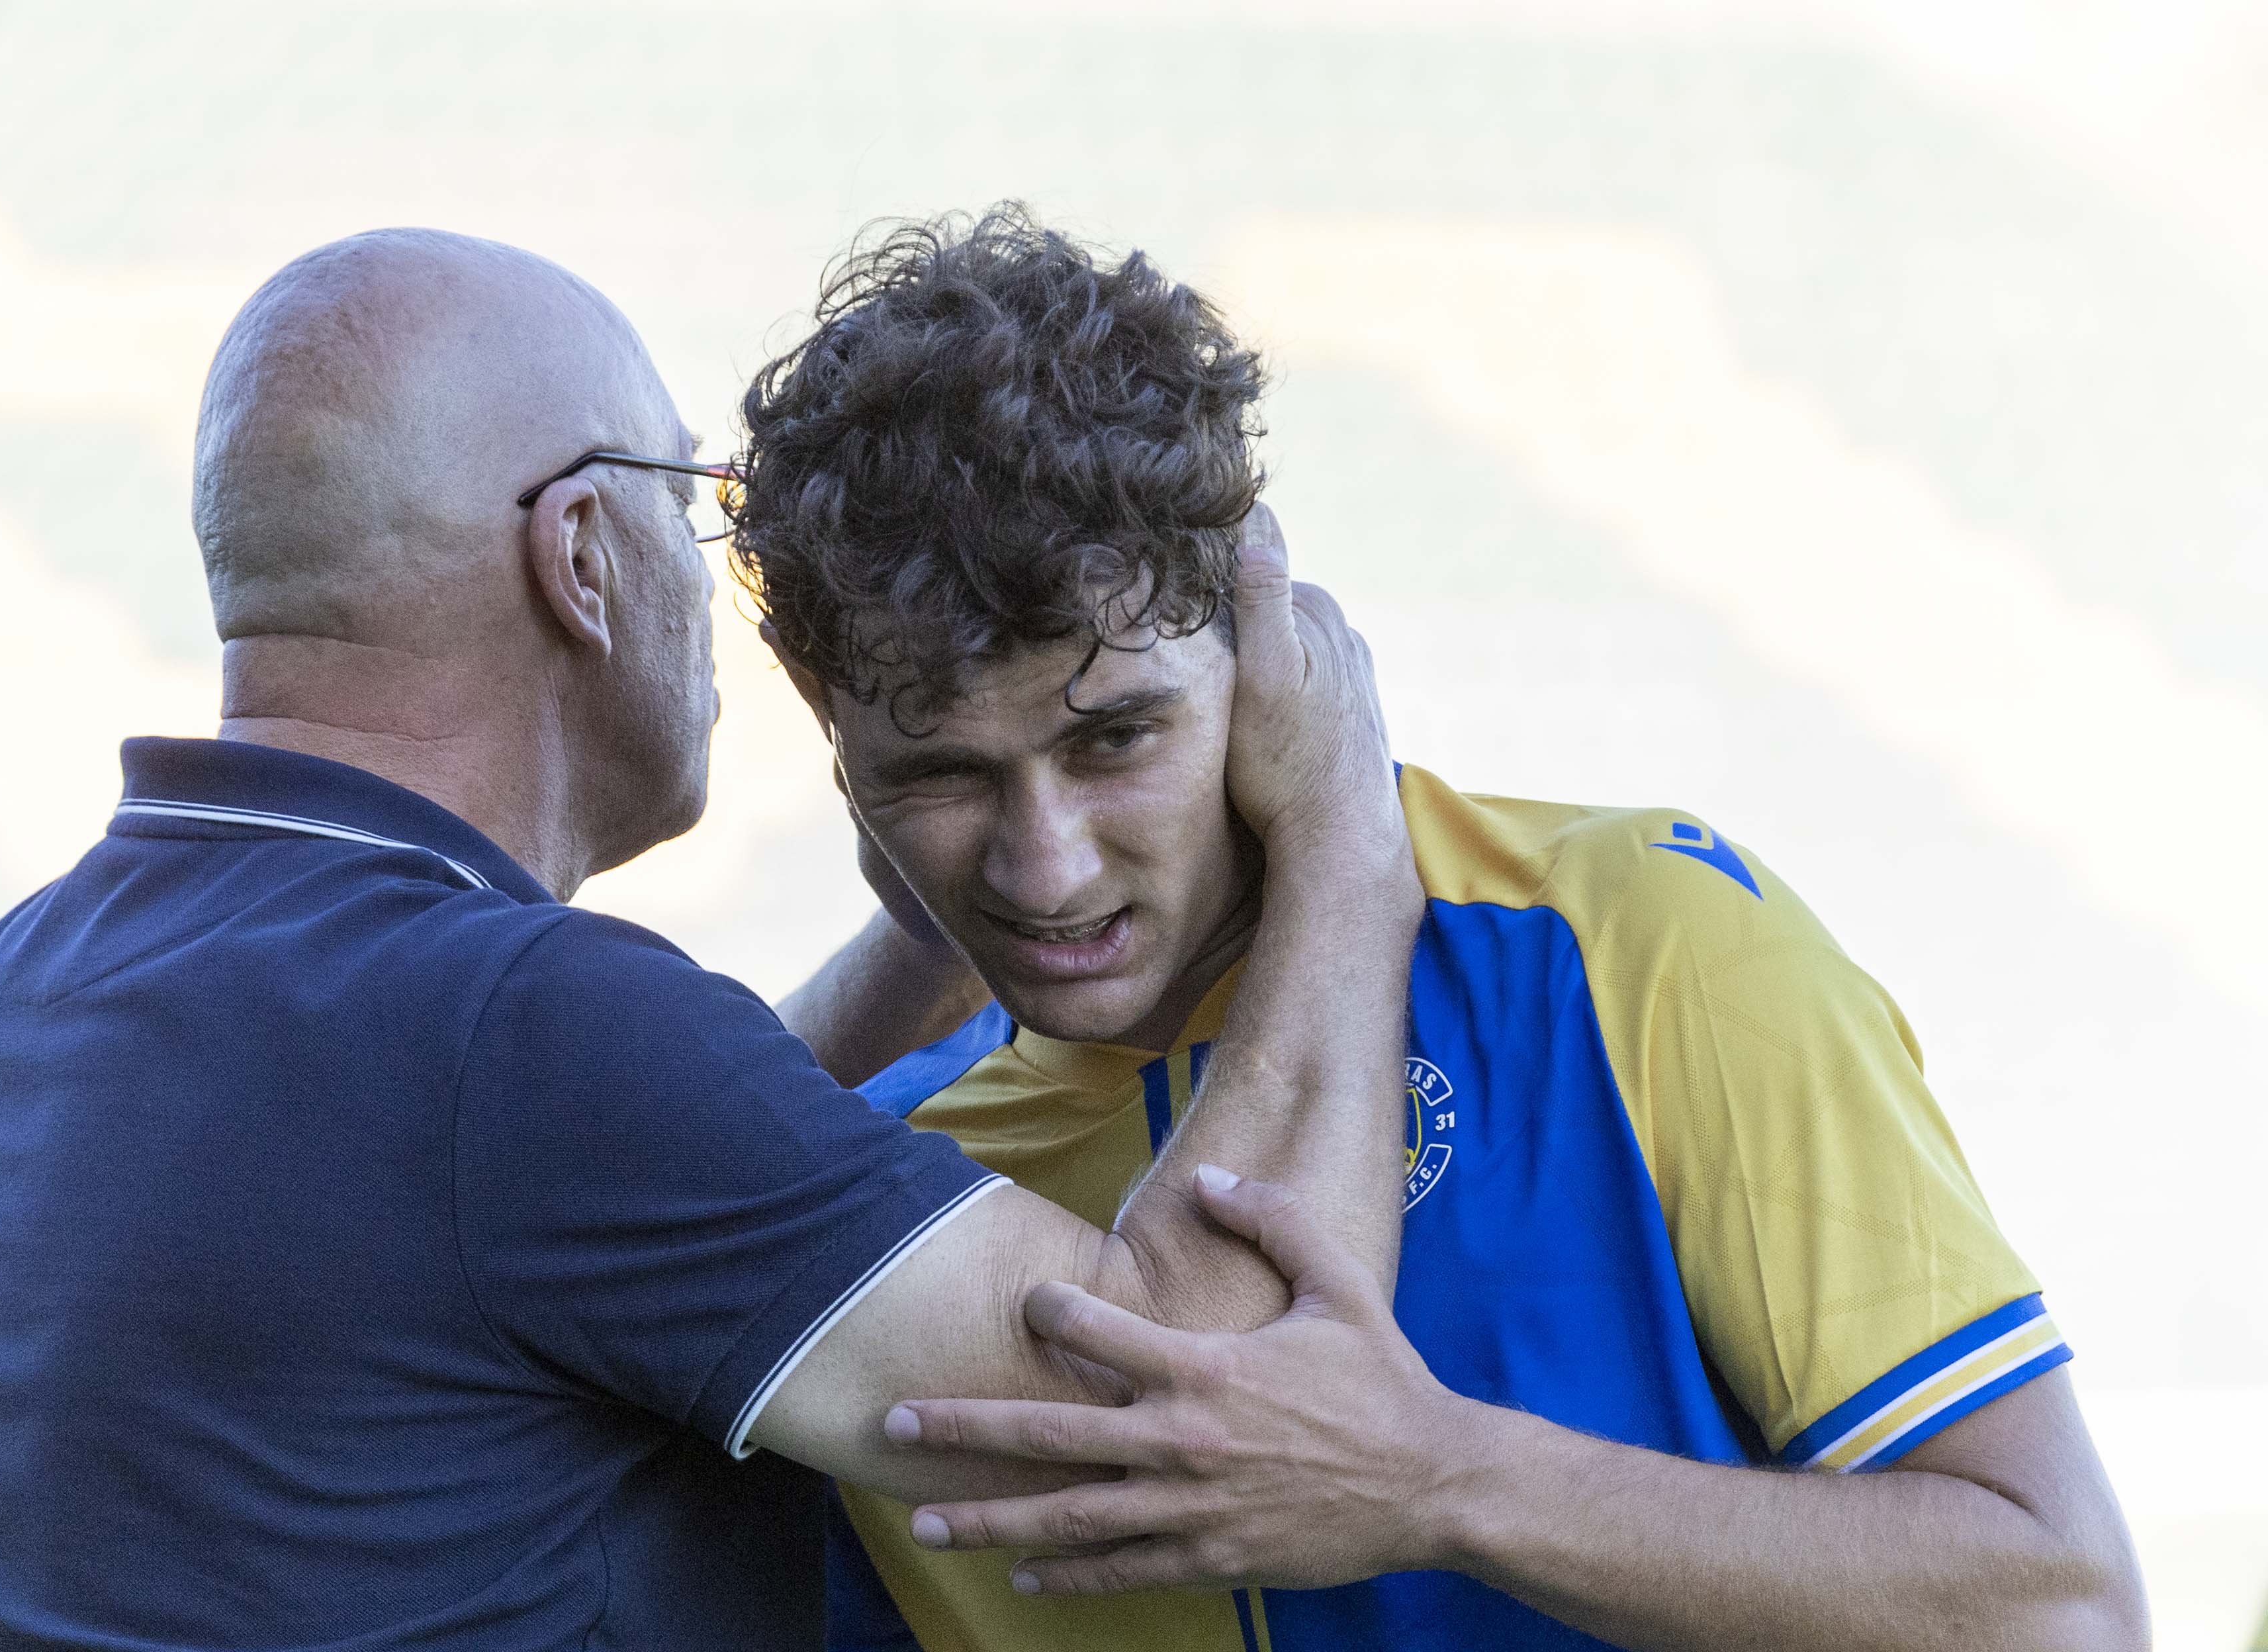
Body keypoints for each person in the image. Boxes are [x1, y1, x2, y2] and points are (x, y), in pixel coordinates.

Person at [0, 227, 1427, 1651]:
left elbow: (572, 1211)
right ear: (585, 554)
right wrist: (1345, 832)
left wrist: (934, 934)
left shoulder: (39, 975)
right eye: (688, 500)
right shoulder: (525, 1033)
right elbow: (1217, 1398)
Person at [725, 206, 2152, 1651]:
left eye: (1117, 740)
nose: (1045, 866)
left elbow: (2062, 1609)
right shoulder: (882, 1189)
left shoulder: (1635, 940)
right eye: (943, 776)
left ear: (1261, 648)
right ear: (835, 745)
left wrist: (1446, 1482)